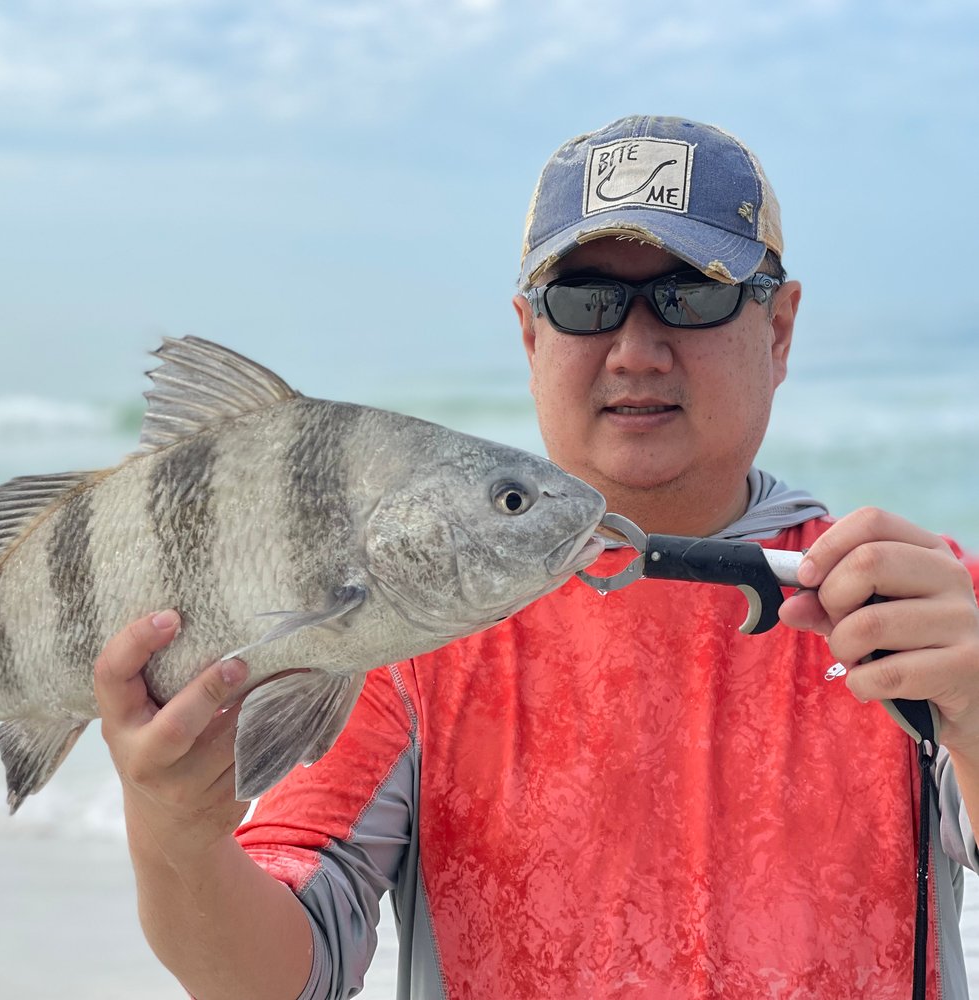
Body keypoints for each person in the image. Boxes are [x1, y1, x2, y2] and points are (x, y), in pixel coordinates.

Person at [93, 116, 979, 999]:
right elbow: (278, 973)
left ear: (778, 330)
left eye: (693, 294)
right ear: (529, 337)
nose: (635, 351)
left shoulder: (916, 612)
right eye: (586, 301)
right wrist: (174, 833)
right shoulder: (405, 626)